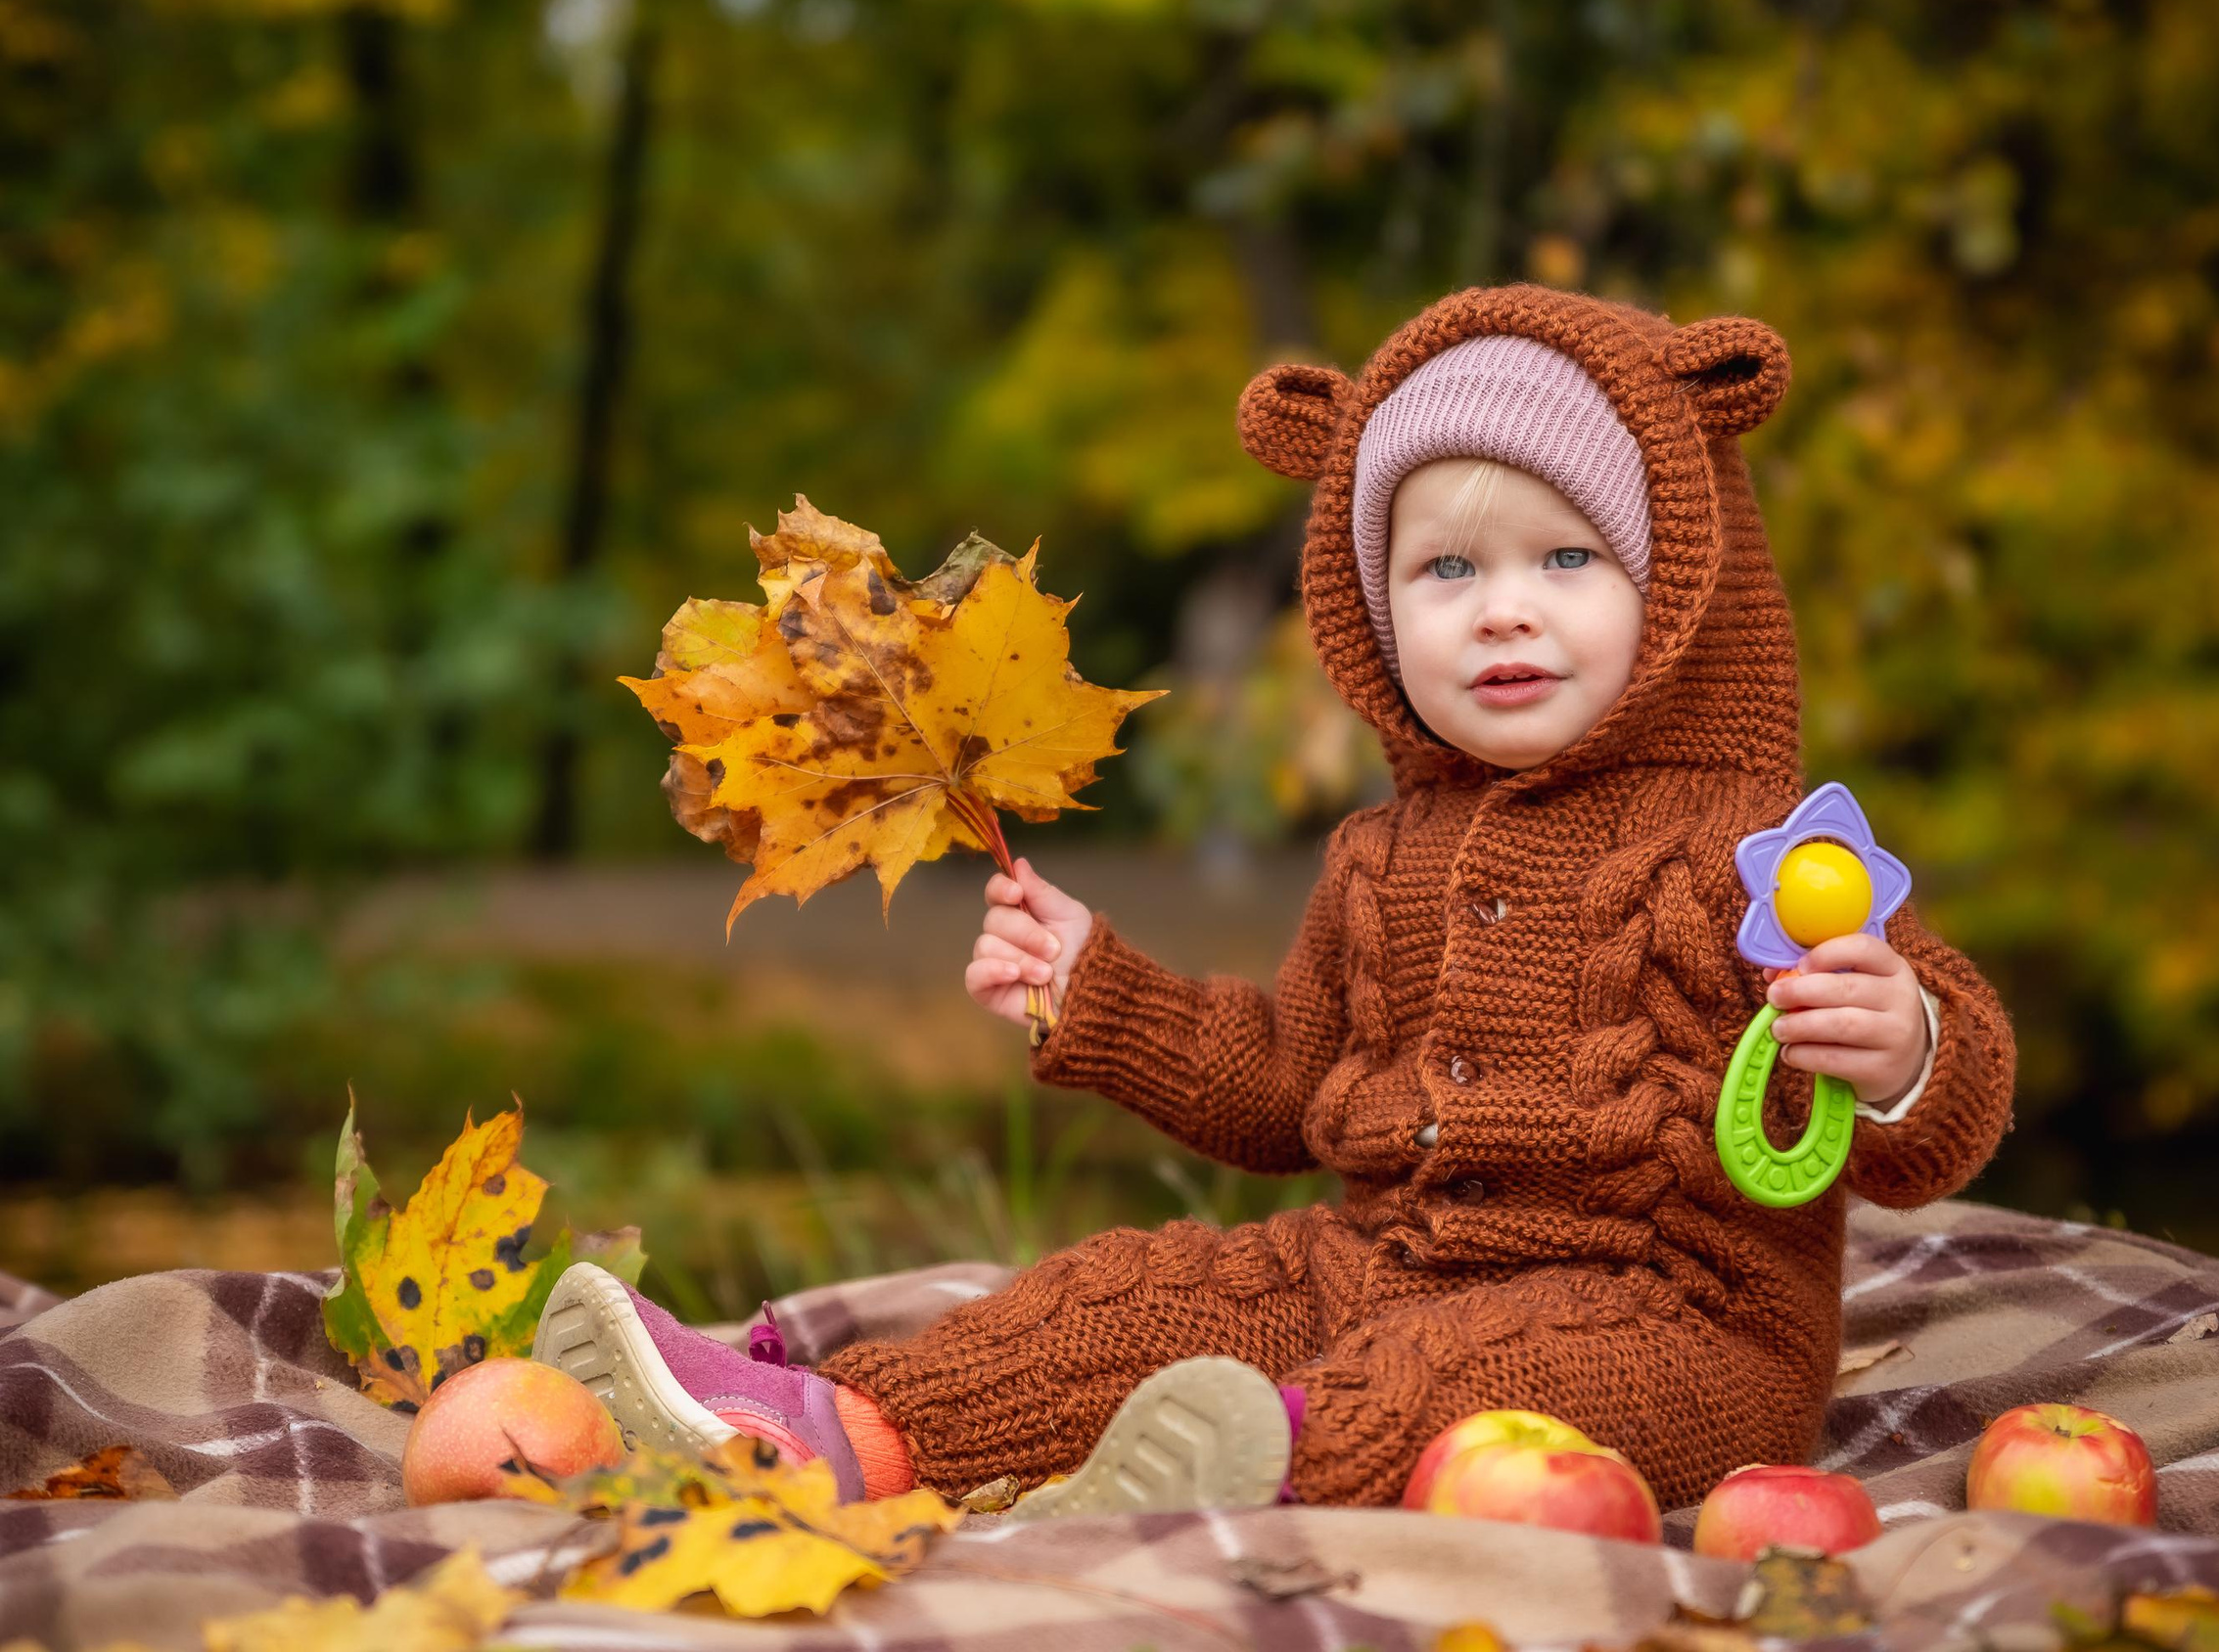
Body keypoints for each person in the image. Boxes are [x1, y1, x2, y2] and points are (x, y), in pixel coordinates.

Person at [532, 284, 2017, 1521]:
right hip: (1380, 1263)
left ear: (1678, 590)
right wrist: (1104, 995)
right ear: (1375, 617)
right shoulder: (1378, 861)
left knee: (1448, 1386)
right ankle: (826, 1426)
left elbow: (1942, 1107)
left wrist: (1900, 1050)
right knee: (1140, 1293)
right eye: (1445, 569)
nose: (1504, 607)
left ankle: (1239, 1465)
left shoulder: (1750, 847)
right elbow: (1285, 1087)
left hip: (1674, 1324)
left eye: (1568, 558)